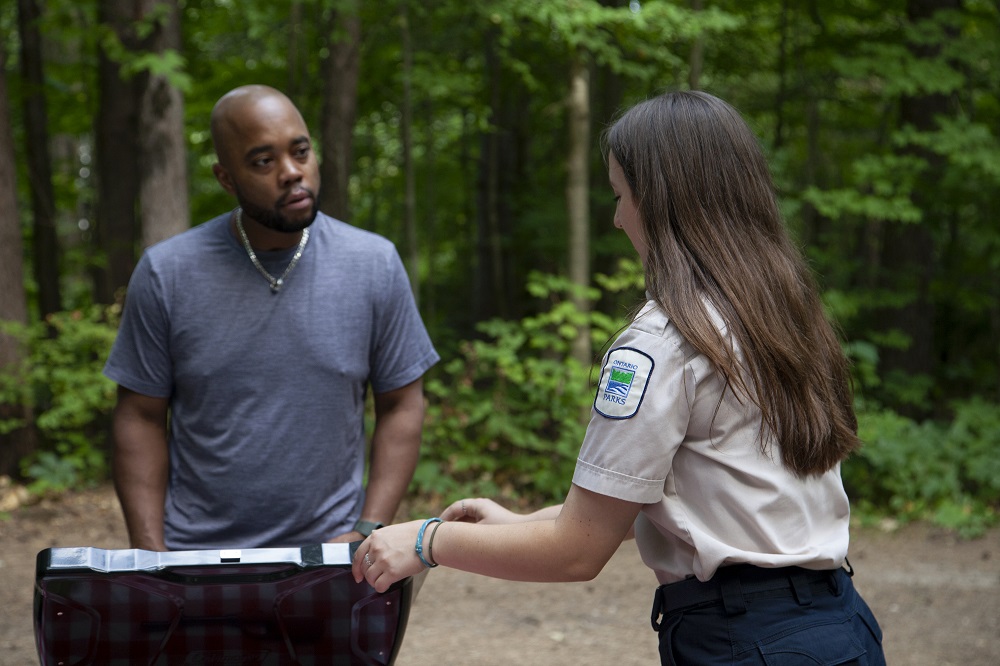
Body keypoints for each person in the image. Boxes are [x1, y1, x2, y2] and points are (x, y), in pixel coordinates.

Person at [352, 90, 886, 665]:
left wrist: (427, 541)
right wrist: (519, 524)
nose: (616, 216)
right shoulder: (780, 313)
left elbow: (577, 553)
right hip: (841, 627)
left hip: (746, 642)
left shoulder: (664, 341)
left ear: (658, 203)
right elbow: (694, 502)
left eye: (620, 194)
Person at [104, 84, 439, 552]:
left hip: (331, 560)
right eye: (263, 161)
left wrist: (369, 529)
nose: (291, 172)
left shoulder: (373, 264)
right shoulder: (168, 273)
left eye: (300, 151)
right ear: (226, 178)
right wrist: (152, 555)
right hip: (195, 559)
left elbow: (402, 403)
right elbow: (139, 416)